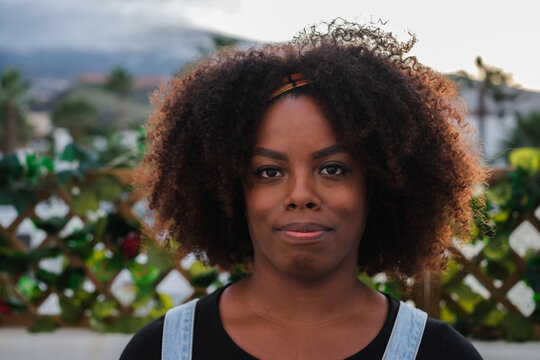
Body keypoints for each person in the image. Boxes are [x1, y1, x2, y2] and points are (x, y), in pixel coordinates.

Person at [120, 19, 486, 359]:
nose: (300, 194)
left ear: (378, 188)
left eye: (333, 169)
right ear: (233, 193)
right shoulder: (161, 351)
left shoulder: (440, 354)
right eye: (268, 172)